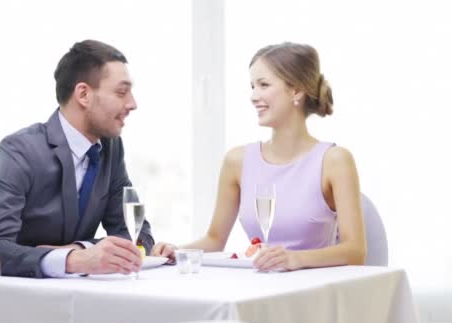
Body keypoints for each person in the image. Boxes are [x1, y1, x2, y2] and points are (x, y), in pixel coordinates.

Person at [152, 42, 366, 271]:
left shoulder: (334, 161)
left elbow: (355, 251)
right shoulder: (237, 161)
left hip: (313, 293)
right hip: (260, 290)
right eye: (252, 86)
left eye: (264, 85)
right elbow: (215, 240)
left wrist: (295, 259)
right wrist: (178, 252)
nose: (254, 96)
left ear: (296, 91)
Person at [0, 40, 154, 278]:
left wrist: (78, 251)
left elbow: (136, 235)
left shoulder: (111, 148)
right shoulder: (17, 153)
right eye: (121, 92)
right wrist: (74, 260)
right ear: (83, 94)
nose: (133, 104)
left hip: (76, 296)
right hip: (16, 301)